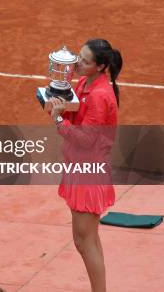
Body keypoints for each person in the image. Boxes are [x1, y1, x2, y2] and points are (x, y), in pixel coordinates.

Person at [50, 39, 123, 292]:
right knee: (87, 239)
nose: (77, 63)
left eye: (84, 61)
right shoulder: (84, 83)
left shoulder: (101, 95)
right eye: (79, 57)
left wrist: (59, 120)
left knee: (84, 241)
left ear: (100, 66)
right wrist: (58, 101)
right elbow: (75, 115)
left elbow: (86, 139)